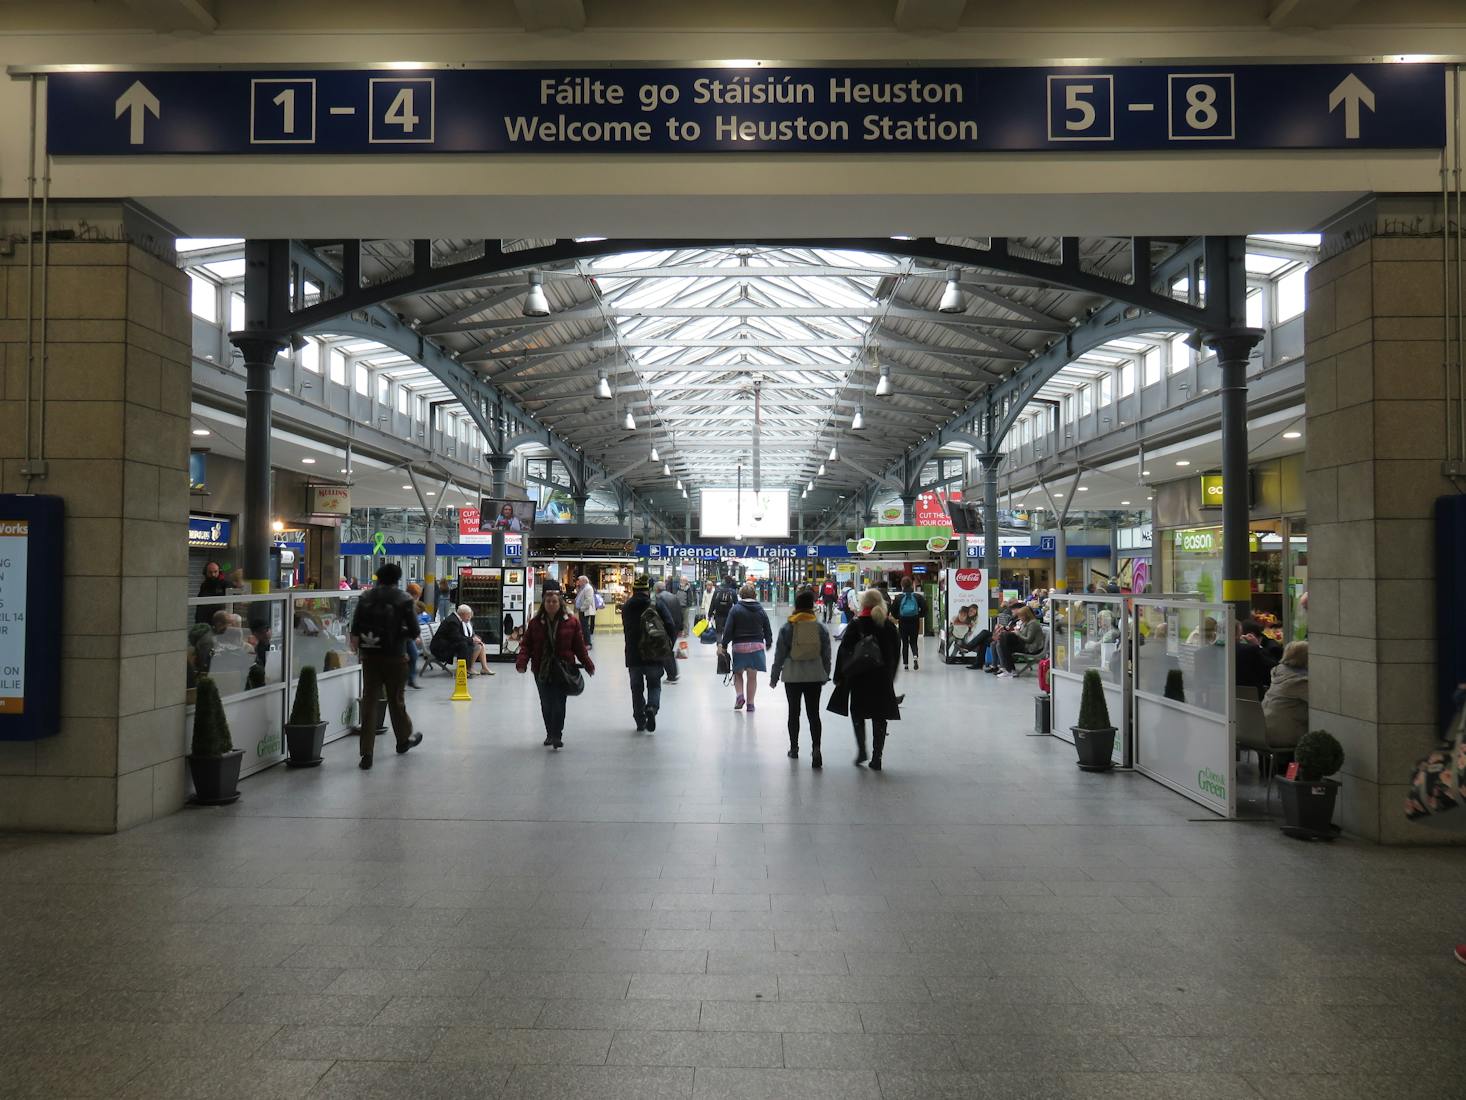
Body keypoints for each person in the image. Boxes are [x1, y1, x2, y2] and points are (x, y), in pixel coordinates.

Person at [348, 562, 423, 770]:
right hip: (395, 657)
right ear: (397, 579)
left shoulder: (365, 598)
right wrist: (401, 634)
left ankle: (366, 754)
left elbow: (355, 628)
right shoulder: (404, 599)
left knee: (370, 703)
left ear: (378, 577)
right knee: (396, 700)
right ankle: (403, 740)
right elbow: (415, 631)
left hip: (370, 657)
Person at [515, 579, 594, 749]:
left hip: (563, 669)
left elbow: (579, 647)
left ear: (560, 603)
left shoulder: (571, 622)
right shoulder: (535, 623)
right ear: (544, 603)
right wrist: (522, 662)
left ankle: (557, 734)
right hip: (541, 669)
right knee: (546, 703)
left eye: (554, 601)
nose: (551, 604)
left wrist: (588, 664)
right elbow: (526, 645)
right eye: (548, 601)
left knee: (559, 702)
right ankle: (549, 733)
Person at [829, 589, 901, 770]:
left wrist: (839, 675)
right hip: (882, 677)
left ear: (864, 604)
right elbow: (895, 652)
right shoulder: (888, 625)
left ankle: (862, 749)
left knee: (858, 713)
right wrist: (891, 674)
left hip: (859, 676)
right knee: (879, 716)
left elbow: (843, 651)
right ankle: (877, 757)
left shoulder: (856, 624)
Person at [769, 590, 831, 766]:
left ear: (796, 606)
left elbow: (779, 655)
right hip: (814, 676)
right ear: (812, 606)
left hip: (792, 676)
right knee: (814, 714)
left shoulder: (788, 627)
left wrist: (774, 677)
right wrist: (826, 673)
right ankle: (816, 748)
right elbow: (826, 654)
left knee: (793, 713)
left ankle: (794, 748)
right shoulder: (819, 628)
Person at [623, 576, 677, 732]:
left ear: (633, 590)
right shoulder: (656, 604)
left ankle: (640, 720)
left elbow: (627, 629)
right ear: (648, 590)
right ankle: (652, 708)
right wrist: (668, 646)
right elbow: (670, 625)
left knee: (636, 688)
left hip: (633, 655)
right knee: (654, 684)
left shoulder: (627, 607)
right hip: (654, 653)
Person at [721, 583, 773, 712]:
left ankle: (739, 696)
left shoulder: (735, 609)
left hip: (739, 646)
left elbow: (728, 629)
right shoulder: (760, 609)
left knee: (738, 673)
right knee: (752, 676)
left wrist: (724, 645)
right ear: (754, 595)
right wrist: (769, 642)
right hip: (757, 645)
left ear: (741, 595)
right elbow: (767, 627)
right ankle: (750, 704)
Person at [1263, 640, 1309, 744]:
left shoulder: (1279, 672)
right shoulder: (1299, 681)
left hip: (1264, 730)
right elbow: (1321, 705)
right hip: (1286, 734)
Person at [434, 604, 494, 676]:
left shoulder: (455, 619)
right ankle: (466, 668)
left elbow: (457, 636)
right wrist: (471, 640)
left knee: (478, 644)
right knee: (467, 645)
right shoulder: (453, 621)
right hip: (441, 648)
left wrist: (473, 639)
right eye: (468, 616)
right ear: (463, 614)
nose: (469, 618)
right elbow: (456, 637)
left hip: (447, 643)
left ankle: (481, 668)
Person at [995, 605, 1044, 678]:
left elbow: (1028, 639)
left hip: (1030, 648)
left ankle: (1010, 670)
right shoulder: (1026, 623)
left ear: (1026, 616)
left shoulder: (1033, 624)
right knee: (1004, 641)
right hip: (1025, 645)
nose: (1019, 618)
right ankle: (1010, 670)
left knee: (1005, 640)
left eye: (1021, 616)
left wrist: (1018, 633)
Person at [1234, 619, 1278, 697]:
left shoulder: (1272, 646)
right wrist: (1257, 646)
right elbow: (1273, 667)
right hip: (1253, 697)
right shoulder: (1250, 649)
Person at [894, 577, 927, 671]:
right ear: (912, 585)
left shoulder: (898, 597)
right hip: (914, 621)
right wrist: (919, 615)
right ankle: (915, 657)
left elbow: (893, 610)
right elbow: (925, 608)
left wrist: (898, 617)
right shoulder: (918, 596)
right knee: (913, 641)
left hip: (903, 621)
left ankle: (906, 665)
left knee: (904, 642)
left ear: (902, 585)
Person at [654, 580, 683, 683]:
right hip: (675, 627)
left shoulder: (658, 598)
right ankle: (674, 673)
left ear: (656, 589)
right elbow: (680, 612)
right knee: (671, 651)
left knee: (666, 652)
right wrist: (681, 628)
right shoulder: (674, 596)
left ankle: (671, 675)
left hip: (665, 627)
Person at [708, 575, 738, 639]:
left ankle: (719, 644)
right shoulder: (732, 592)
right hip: (729, 615)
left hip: (718, 615)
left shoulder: (717, 591)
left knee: (718, 631)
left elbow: (712, 603)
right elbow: (737, 605)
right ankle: (725, 646)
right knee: (726, 631)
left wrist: (709, 614)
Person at [573, 575, 598, 647]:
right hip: (582, 610)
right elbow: (579, 596)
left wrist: (582, 608)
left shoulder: (588, 588)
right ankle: (584, 642)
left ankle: (588, 643)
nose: (578, 582)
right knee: (583, 627)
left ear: (584, 581)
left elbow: (588, 600)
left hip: (585, 610)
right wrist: (578, 587)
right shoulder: (583, 588)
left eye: (580, 581)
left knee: (585, 627)